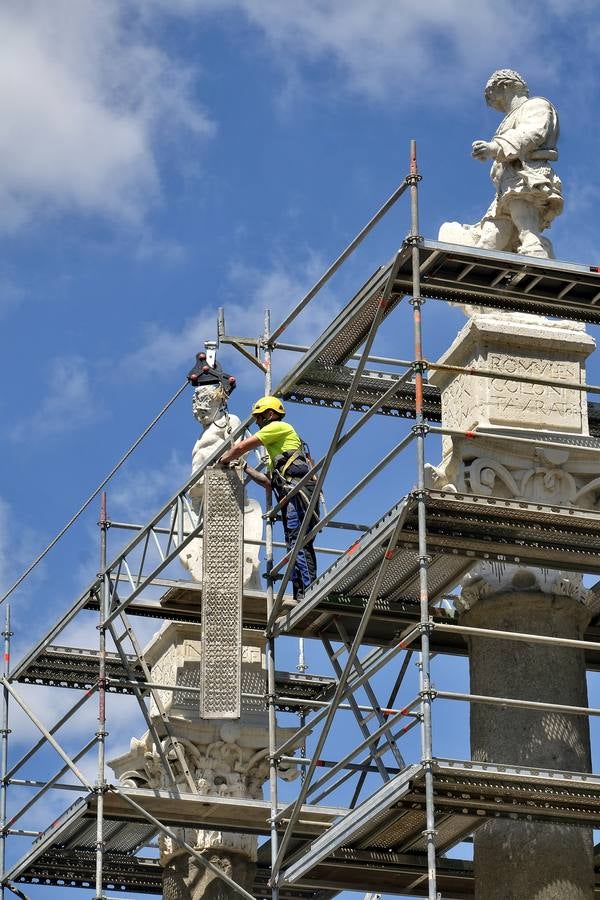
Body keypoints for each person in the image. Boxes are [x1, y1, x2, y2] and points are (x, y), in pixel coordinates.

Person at [439, 69, 563, 259]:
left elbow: (532, 133)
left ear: (505, 86)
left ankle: (533, 245)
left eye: (493, 97)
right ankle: (469, 248)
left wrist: (494, 147)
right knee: (492, 235)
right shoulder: (510, 118)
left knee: (519, 202)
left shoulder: (536, 105)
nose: (493, 105)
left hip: (526, 174)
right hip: (505, 185)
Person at [219, 396, 319, 599]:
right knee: (295, 543)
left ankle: (309, 592)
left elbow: (241, 447)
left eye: (259, 417)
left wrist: (223, 459)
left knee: (298, 542)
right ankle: (301, 593)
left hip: (298, 492)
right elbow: (267, 482)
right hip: (292, 494)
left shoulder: (278, 427)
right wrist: (244, 467)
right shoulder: (279, 453)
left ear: (270, 414)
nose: (257, 422)